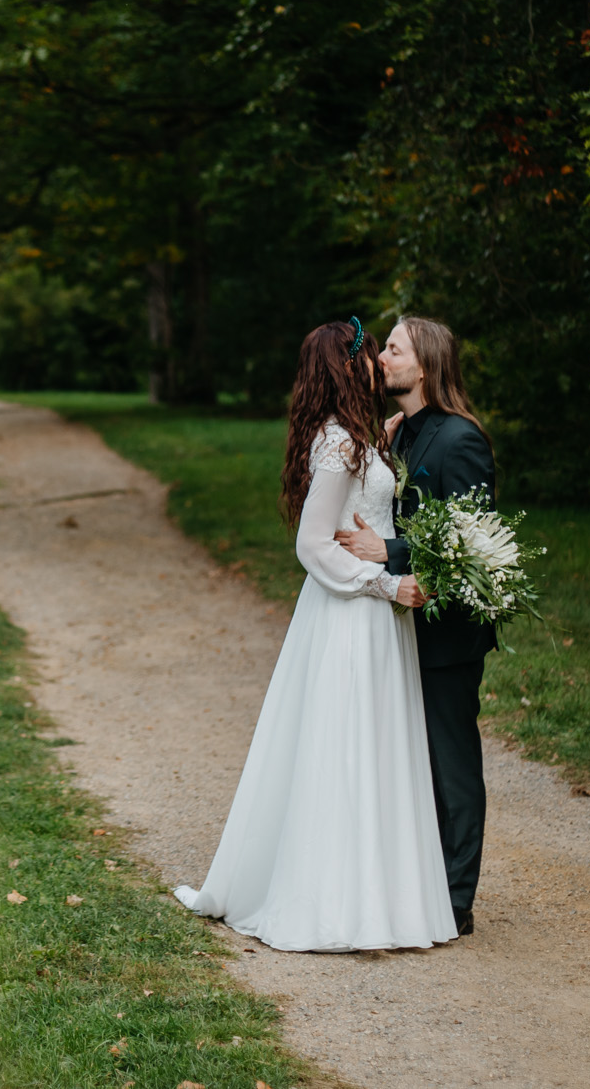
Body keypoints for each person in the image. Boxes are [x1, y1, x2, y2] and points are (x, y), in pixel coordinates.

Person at [172, 319, 457, 952]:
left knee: (376, 750)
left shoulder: (359, 437)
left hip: (376, 620)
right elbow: (313, 544)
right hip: (352, 613)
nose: (378, 362)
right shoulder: (337, 443)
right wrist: (386, 585)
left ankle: (380, 900)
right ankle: (334, 904)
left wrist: (382, 443)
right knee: (345, 750)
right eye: (369, 353)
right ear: (347, 368)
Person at [335, 315, 496, 936]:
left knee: (450, 767)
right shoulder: (398, 433)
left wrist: (389, 552)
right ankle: (418, 890)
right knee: (409, 765)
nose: (381, 358)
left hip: (446, 635)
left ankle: (455, 903)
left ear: (424, 365)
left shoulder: (460, 440)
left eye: (394, 350)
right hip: (399, 628)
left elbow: (472, 543)